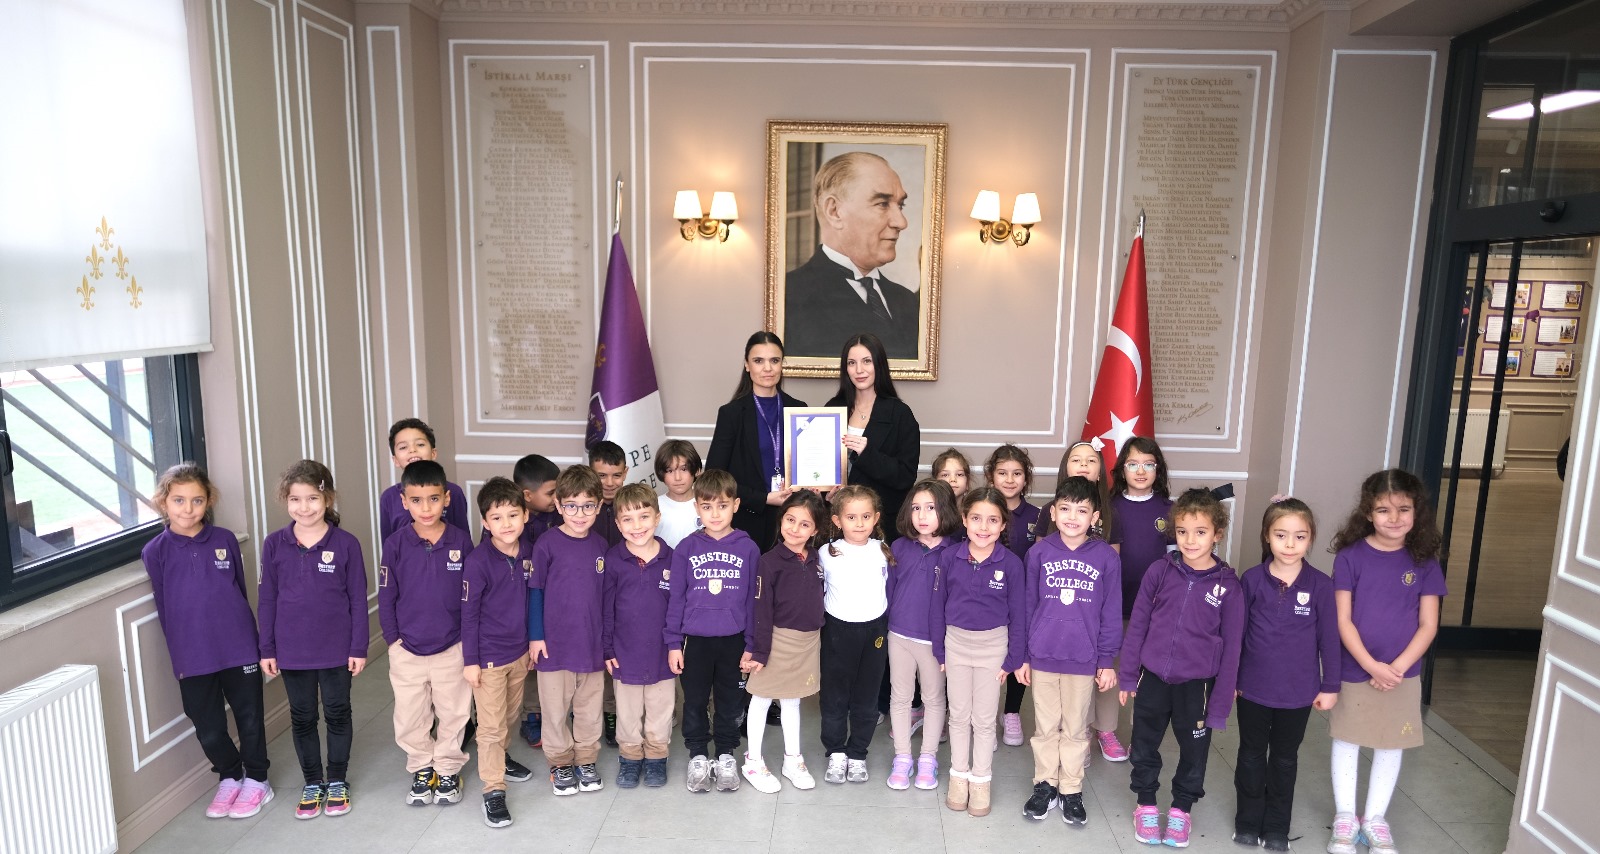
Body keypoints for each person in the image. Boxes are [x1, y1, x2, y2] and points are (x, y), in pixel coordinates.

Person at [1325, 470, 1446, 854]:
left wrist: (1396, 668)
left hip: (1402, 675)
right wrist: (1371, 665)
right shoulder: (1350, 558)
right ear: (1367, 513)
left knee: (1391, 744)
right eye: (1383, 510)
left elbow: (1428, 624)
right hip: (1354, 669)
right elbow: (1342, 620)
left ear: (1417, 511)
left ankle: (1375, 818)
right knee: (1347, 739)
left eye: (1403, 509)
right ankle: (1346, 817)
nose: (1394, 518)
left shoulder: (1425, 562)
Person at [143, 463, 272, 820]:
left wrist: (255, 641)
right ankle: (230, 775)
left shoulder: (224, 539)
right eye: (179, 500)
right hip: (192, 653)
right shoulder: (155, 551)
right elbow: (164, 607)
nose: (188, 509)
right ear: (163, 502)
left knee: (249, 717)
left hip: (239, 646)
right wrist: (180, 653)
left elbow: (239, 591)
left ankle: (258, 779)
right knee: (208, 727)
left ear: (208, 501)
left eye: (197, 500)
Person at [1118, 488, 1244, 848]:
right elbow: (1138, 625)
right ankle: (1145, 804)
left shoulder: (1228, 586)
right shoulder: (1160, 571)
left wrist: (1219, 704)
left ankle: (1181, 810)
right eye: (1183, 531)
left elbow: (1232, 649)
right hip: (1153, 679)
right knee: (1144, 745)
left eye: (1200, 532)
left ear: (1217, 534)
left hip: (1197, 686)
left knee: (1193, 752)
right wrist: (1128, 675)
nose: (1190, 540)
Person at [258, 460, 367, 820]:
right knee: (303, 717)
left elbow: (357, 599)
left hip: (337, 650)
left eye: (312, 498)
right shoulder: (274, 544)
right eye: (295, 499)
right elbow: (267, 599)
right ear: (285, 501)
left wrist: (358, 647)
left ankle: (336, 779)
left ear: (328, 498)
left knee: (337, 713)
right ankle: (312, 782)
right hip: (292, 652)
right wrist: (267, 648)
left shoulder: (347, 544)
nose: (304, 507)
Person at [1233, 497, 1339, 852]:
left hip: (1298, 692)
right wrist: (1231, 680)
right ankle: (1247, 822)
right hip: (1252, 688)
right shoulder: (1251, 580)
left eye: (1300, 536)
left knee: (1284, 758)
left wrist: (1330, 685)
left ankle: (1277, 827)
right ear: (1267, 536)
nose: (1290, 544)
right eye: (1281, 535)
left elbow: (1329, 640)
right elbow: (1236, 636)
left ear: (1310, 539)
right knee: (1250, 754)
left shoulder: (1321, 586)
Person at [1018, 476, 1121, 827]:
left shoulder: (1106, 558)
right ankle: (1045, 784)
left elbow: (1110, 612)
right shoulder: (1038, 553)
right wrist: (1024, 656)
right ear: (1053, 512)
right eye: (1065, 509)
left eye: (1081, 510)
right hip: (1043, 655)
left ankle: (1071, 789)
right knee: (1045, 726)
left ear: (1095, 517)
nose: (1072, 517)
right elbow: (1027, 607)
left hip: (1083, 658)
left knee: (1076, 728)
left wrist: (1106, 660)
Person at [378, 459, 475, 807]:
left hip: (452, 645)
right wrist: (393, 639)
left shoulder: (461, 541)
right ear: (404, 501)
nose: (426, 508)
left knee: (454, 711)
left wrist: (466, 640)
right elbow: (386, 595)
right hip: (407, 648)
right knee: (410, 714)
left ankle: (447, 768)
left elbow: (471, 595)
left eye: (434, 499)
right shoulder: (395, 544)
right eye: (416, 500)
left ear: (446, 499)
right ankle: (421, 767)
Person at [932, 487, 1027, 818]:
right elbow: (937, 607)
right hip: (955, 645)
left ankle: (981, 779)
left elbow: (1019, 615)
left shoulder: (1012, 564)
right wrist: (940, 651)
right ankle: (959, 775)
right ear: (964, 520)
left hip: (993, 648)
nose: (983, 527)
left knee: (984, 720)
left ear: (1003, 525)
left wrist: (1013, 659)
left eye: (992, 520)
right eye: (976, 518)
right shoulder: (949, 557)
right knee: (958, 715)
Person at [666, 469, 763, 792]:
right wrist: (673, 643)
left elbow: (753, 600)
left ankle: (725, 754)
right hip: (695, 641)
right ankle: (697, 754)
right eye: (707, 507)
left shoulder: (748, 549)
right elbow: (676, 599)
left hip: (733, 640)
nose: (715, 514)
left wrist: (751, 643)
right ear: (697, 508)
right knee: (694, 700)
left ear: (735, 505)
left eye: (722, 506)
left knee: (730, 701)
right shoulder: (686, 548)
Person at [784, 151, 921, 359]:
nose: (901, 222)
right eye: (882, 204)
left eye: (900, 205)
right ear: (834, 212)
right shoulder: (789, 297)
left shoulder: (907, 301)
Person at [526, 465, 610, 796]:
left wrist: (606, 642)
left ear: (599, 506)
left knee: (589, 708)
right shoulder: (546, 544)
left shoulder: (601, 546)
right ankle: (560, 763)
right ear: (559, 505)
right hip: (554, 646)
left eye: (588, 506)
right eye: (571, 506)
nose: (580, 514)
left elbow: (606, 599)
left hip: (591, 644)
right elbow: (535, 591)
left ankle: (586, 759)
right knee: (555, 710)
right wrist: (536, 636)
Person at [741, 490, 830, 793]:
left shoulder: (818, 559)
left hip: (807, 642)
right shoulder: (769, 562)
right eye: (790, 520)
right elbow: (761, 609)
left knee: (793, 700)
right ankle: (753, 760)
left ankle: (792, 759)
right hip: (776, 641)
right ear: (781, 520)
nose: (795, 529)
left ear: (815, 530)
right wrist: (759, 650)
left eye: (805, 524)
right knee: (761, 698)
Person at [460, 477, 537, 828]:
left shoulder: (530, 552)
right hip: (488, 657)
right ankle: (493, 789)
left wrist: (533, 643)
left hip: (519, 652)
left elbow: (535, 601)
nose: (506, 524)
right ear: (485, 522)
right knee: (490, 727)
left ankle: (501, 759)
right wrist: (471, 661)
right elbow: (469, 614)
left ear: (525, 515)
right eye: (496, 517)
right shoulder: (477, 562)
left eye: (512, 515)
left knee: (509, 716)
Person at [1039, 441, 1121, 757]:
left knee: (1094, 686)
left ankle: (1098, 733)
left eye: (1091, 460)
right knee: (1053, 717)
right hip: (1053, 629)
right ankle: (1056, 762)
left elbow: (1109, 584)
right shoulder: (1048, 527)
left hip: (1090, 620)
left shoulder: (1111, 518)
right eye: (1076, 459)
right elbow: (1041, 571)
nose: (1084, 465)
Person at [1102, 435, 1174, 764]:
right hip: (1113, 605)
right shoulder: (1109, 507)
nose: (1141, 471)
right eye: (1133, 464)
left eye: (1148, 464)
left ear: (1158, 470)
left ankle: (1141, 735)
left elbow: (1176, 560)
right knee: (1110, 668)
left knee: (1146, 675)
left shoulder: (1168, 510)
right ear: (1122, 469)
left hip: (1154, 608)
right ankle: (1105, 730)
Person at [818, 485, 894, 784]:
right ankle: (836, 751)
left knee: (867, 696)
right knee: (835, 695)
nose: (859, 523)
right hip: (837, 631)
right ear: (837, 520)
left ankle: (858, 753)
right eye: (851, 517)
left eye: (866, 516)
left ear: (876, 518)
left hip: (874, 631)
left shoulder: (883, 550)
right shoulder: (826, 553)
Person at [886, 479, 957, 791]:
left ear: (946, 510)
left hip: (934, 641)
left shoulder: (955, 551)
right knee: (900, 696)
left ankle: (928, 758)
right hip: (899, 635)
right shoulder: (899, 547)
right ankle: (902, 756)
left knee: (933, 698)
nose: (922, 515)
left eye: (931, 508)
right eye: (916, 508)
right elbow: (889, 590)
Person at [603, 483, 676, 789]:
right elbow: (606, 608)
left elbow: (678, 608)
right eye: (628, 519)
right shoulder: (613, 560)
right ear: (618, 524)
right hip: (625, 652)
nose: (637, 526)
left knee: (661, 708)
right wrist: (608, 649)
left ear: (657, 518)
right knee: (628, 711)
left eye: (644, 517)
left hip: (662, 652)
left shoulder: (672, 558)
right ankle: (630, 757)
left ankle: (657, 756)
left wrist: (675, 645)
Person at [708, 331, 807, 548]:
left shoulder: (800, 410)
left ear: (782, 364)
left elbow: (808, 465)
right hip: (747, 520)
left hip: (793, 518)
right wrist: (763, 498)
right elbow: (715, 476)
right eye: (758, 361)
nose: (767, 368)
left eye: (774, 360)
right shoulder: (732, 414)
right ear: (747, 365)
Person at [825, 332, 922, 538]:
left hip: (882, 523)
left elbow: (905, 476)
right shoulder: (833, 408)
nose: (859, 370)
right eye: (852, 363)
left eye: (866, 361)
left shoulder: (900, 414)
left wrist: (867, 454)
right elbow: (823, 465)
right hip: (838, 520)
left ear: (879, 364)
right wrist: (825, 492)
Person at [988, 443, 1039, 747]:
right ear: (991, 476)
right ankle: (986, 713)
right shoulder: (981, 509)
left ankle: (1011, 712)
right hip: (987, 600)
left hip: (1022, 601)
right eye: (1002, 473)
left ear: (1026, 478)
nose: (1009, 479)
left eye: (1017, 473)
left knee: (1017, 652)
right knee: (990, 657)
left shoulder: (1037, 516)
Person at [510, 453, 561, 748]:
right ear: (527, 495)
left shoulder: (559, 516)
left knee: (550, 656)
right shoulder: (511, 521)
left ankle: (556, 713)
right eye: (551, 493)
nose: (557, 498)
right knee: (531, 660)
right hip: (521, 601)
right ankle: (531, 716)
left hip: (553, 600)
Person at [377, 418, 470, 542]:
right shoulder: (388, 497)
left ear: (433, 453)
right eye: (403, 447)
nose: (412, 450)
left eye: (420, 444)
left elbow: (463, 539)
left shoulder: (454, 492)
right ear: (395, 460)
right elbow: (387, 544)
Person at [655, 439, 703, 547]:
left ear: (697, 470)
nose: (677, 478)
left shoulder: (708, 505)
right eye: (670, 471)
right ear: (661, 474)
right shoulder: (654, 505)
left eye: (684, 469)